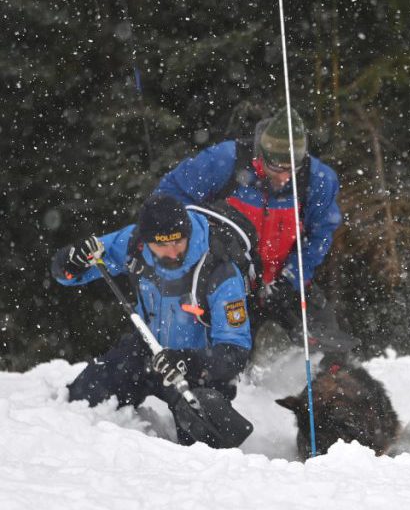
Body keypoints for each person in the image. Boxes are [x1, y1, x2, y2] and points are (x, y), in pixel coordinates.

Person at [52, 195, 252, 447]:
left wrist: (189, 361)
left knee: (202, 447)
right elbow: (68, 275)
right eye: (162, 245)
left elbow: (235, 352)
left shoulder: (220, 270)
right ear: (147, 242)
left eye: (178, 241)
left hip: (198, 369)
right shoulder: (133, 243)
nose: (172, 251)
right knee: (81, 401)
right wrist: (70, 261)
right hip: (146, 350)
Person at [154, 109, 356, 356]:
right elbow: (167, 198)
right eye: (276, 167)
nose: (284, 178)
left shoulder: (317, 180)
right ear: (261, 155)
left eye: (291, 169)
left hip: (281, 280)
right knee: (223, 356)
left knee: (328, 345)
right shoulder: (225, 161)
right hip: (225, 281)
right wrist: (205, 237)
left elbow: (321, 234)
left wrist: (292, 277)